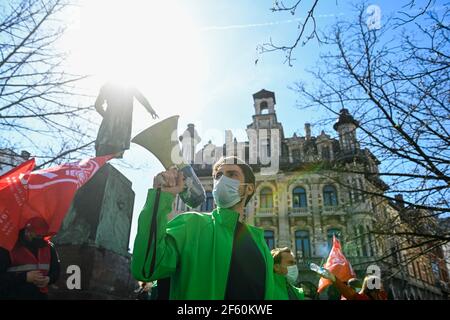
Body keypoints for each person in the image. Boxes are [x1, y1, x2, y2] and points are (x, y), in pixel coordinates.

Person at [131, 156, 275, 299]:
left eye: (232, 174)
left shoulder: (262, 246)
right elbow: (147, 267)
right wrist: (161, 197)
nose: (222, 180)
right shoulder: (191, 224)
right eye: (218, 176)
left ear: (249, 188)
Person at [0, 217, 60, 300]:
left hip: (40, 296)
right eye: (38, 235)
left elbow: (55, 270)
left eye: (43, 235)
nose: (40, 238)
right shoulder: (9, 249)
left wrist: (48, 279)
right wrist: (25, 277)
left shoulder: (49, 248)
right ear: (27, 232)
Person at [94, 82, 158, 158]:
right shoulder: (126, 86)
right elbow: (141, 98)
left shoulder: (111, 86)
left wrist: (107, 117)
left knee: (107, 151)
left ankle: (102, 164)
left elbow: (97, 105)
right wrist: (150, 110)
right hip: (119, 129)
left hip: (114, 127)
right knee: (110, 150)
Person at [313, 267, 388, 300]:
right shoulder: (361, 298)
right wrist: (333, 278)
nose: (381, 285)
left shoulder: (381, 296)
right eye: (379, 283)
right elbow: (348, 292)